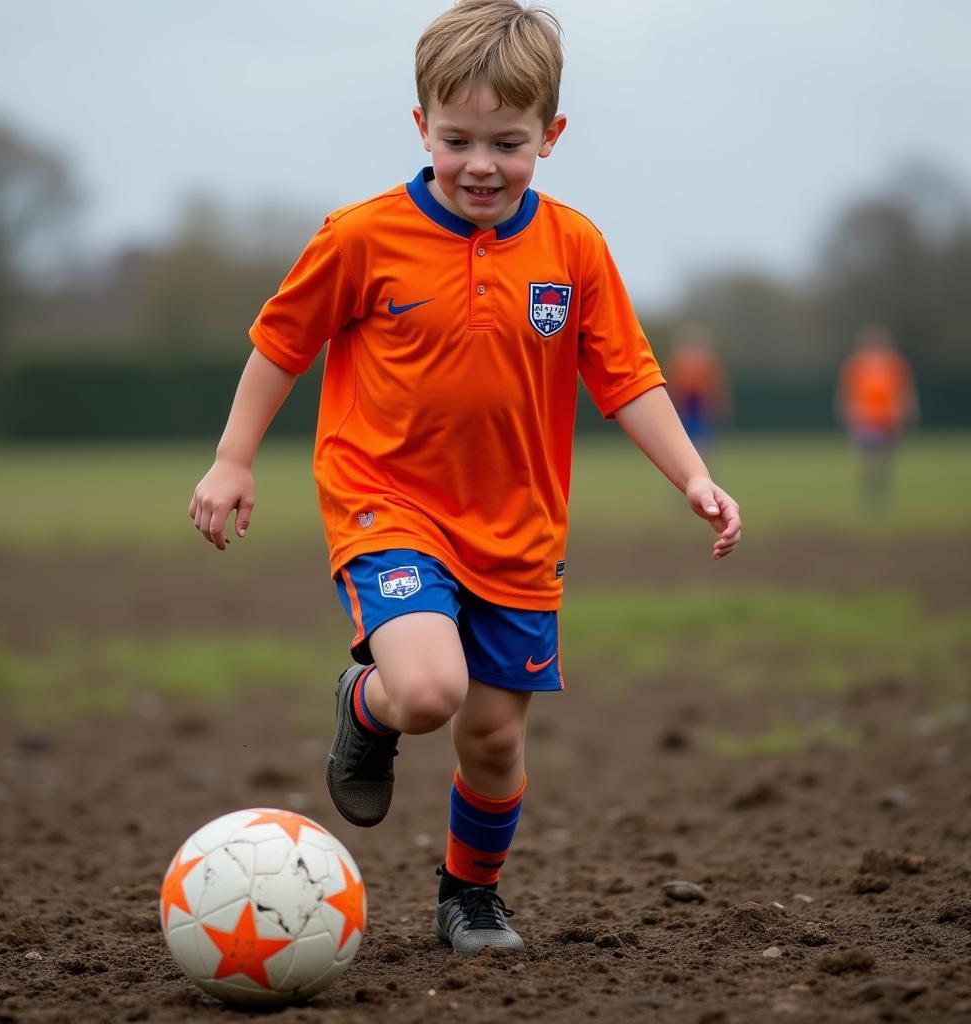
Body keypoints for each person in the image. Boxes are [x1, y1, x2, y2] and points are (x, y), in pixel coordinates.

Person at [189, 0, 741, 956]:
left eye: (508, 142)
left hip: (519, 532)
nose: (481, 163)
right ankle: (367, 704)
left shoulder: (574, 249)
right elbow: (282, 344)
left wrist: (694, 477)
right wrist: (234, 457)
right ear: (420, 128)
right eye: (457, 139)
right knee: (432, 689)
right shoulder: (361, 236)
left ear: (551, 136)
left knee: (491, 739)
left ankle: (470, 895)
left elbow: (630, 378)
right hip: (387, 505)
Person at [835, 325, 918, 506]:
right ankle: (871, 489)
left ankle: (879, 487)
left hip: (888, 417)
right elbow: (846, 391)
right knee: (868, 454)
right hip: (865, 416)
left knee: (885, 456)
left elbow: (904, 390)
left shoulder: (895, 363)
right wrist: (846, 412)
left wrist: (908, 410)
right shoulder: (855, 364)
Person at [666, 322, 732, 451]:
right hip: (685, 407)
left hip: (700, 408)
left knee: (702, 439)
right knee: (685, 437)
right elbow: (672, 387)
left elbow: (716, 387)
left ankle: (699, 463)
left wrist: (719, 405)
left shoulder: (708, 362)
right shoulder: (677, 362)